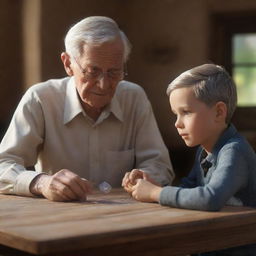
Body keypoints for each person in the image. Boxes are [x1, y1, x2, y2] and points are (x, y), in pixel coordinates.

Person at [0, 16, 174, 202]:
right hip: (55, 222)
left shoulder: (134, 98)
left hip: (123, 217)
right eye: (93, 71)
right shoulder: (41, 99)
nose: (103, 84)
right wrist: (42, 183)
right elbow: (3, 165)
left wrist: (145, 176)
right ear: (68, 64)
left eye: (114, 72)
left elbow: (160, 165)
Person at [123, 63, 256, 255]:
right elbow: (188, 190)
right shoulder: (203, 150)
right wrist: (151, 185)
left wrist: (155, 193)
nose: (177, 123)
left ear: (219, 112)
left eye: (185, 112)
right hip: (209, 244)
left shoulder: (234, 151)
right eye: (175, 114)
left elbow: (210, 198)